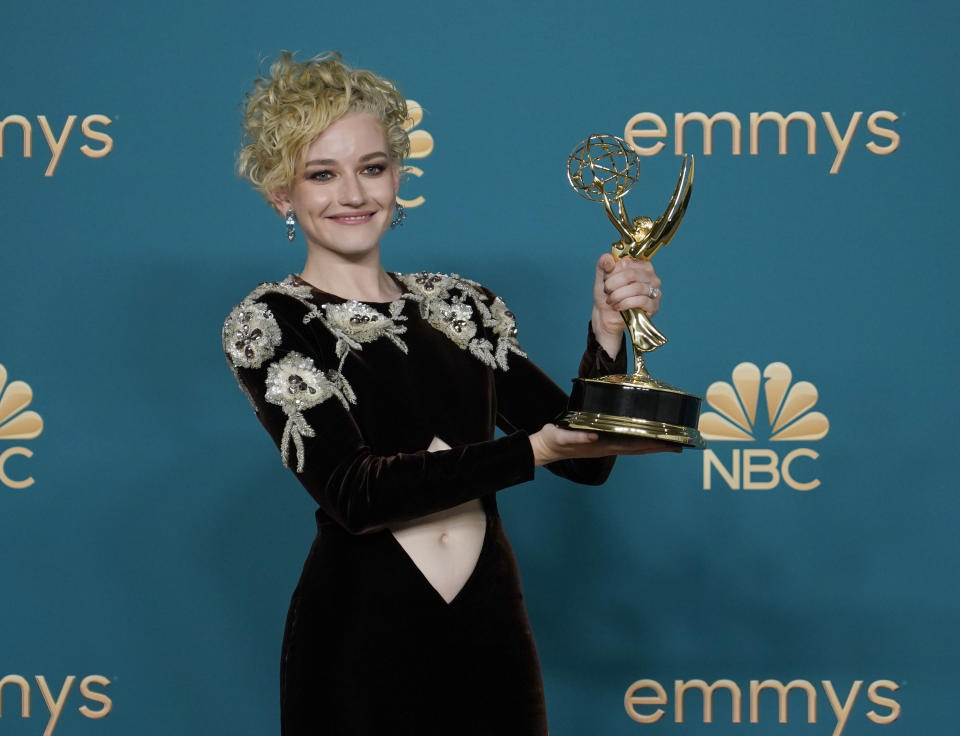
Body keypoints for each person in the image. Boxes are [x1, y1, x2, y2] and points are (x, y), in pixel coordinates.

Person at [223, 51, 677, 735]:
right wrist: (535, 450)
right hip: (359, 646)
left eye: (372, 168)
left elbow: (587, 459)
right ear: (281, 194)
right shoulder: (270, 321)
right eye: (323, 174)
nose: (353, 194)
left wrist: (606, 337)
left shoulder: (462, 306)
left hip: (491, 636)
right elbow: (357, 493)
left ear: (398, 177)